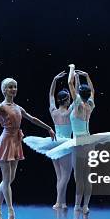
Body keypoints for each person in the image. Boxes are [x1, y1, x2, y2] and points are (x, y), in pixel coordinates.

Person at [0, 77, 55, 219]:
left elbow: (32, 118)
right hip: (6, 141)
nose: (13, 89)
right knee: (6, 179)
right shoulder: (1, 106)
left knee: (10, 179)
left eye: (15, 87)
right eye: (10, 87)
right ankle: (10, 210)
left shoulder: (18, 107)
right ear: (4, 90)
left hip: (16, 141)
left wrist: (48, 128)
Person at [46, 65, 110, 215]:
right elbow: (92, 91)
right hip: (89, 141)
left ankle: (76, 206)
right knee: (87, 176)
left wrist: (72, 69)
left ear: (78, 95)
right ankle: (85, 206)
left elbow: (69, 84)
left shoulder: (77, 106)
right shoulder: (90, 105)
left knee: (77, 178)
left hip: (78, 142)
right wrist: (86, 76)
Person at [24, 71, 73, 209]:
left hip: (53, 143)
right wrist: (74, 81)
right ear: (67, 100)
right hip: (65, 144)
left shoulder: (53, 111)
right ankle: (58, 202)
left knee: (59, 176)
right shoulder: (70, 112)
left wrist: (54, 80)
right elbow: (77, 98)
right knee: (65, 176)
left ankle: (62, 203)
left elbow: (51, 95)